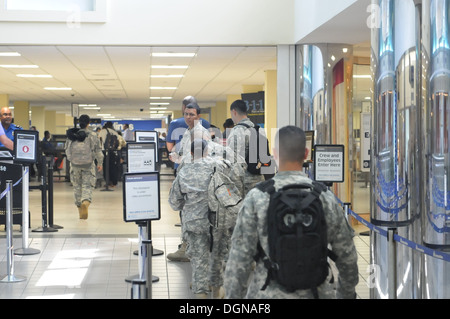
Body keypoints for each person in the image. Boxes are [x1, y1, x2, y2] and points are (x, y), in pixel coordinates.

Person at [224, 125, 359, 299]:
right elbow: (347, 257)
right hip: (317, 292)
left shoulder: (257, 197)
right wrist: (345, 295)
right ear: (305, 154)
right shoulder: (325, 197)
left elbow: (239, 260)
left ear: (274, 153)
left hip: (267, 293)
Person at [169, 139, 216, 299]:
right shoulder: (216, 168)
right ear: (206, 151)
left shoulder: (184, 171)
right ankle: (214, 284)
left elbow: (174, 202)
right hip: (215, 219)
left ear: (190, 153)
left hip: (193, 220)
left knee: (198, 255)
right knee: (215, 252)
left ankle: (200, 290)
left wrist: (187, 204)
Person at [166, 102, 211, 263]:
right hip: (186, 177)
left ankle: (188, 249)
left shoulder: (200, 133)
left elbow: (201, 157)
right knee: (186, 214)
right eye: (186, 114)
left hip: (195, 181)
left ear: (198, 116)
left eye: (192, 114)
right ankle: (187, 246)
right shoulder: (188, 131)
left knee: (192, 216)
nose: (188, 117)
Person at [65, 115, 103, 220]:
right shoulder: (93, 135)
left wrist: (72, 161)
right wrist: (100, 163)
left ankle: (79, 210)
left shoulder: (72, 134)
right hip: (88, 165)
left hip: (74, 165)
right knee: (87, 185)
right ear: (88, 123)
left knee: (77, 187)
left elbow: (67, 150)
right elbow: (98, 151)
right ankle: (85, 202)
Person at [227, 100, 265, 195]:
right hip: (260, 180)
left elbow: (233, 161)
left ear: (234, 112)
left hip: (245, 184)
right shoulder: (258, 128)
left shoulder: (237, 131)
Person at [166, 96, 210, 171]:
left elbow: (170, 147)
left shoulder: (175, 123)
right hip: (198, 167)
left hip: (187, 167)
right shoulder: (205, 123)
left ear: (183, 107)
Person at [98, 121, 120, 188]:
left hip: (105, 151)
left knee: (106, 167)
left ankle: (108, 182)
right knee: (113, 167)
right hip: (113, 152)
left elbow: (100, 141)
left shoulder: (103, 131)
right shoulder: (114, 132)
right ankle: (114, 182)